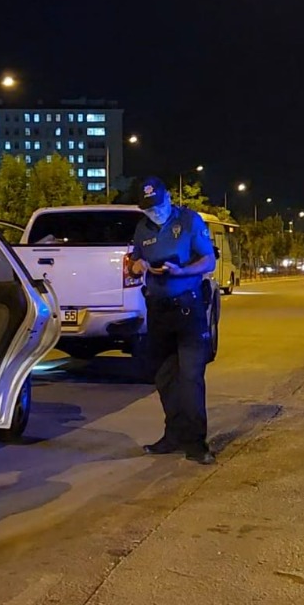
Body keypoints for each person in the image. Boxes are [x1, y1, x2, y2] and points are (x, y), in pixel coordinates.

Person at [128, 177, 217, 465]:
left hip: (188, 309)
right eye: (148, 209)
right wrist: (138, 265)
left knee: (190, 378)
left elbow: (209, 261)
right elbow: (133, 262)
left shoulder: (188, 220)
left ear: (167, 198)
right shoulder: (142, 228)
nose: (154, 213)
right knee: (165, 378)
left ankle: (196, 443)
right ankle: (173, 435)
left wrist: (180, 271)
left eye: (157, 206)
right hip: (158, 311)